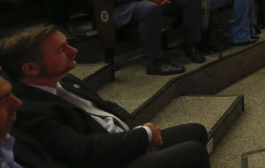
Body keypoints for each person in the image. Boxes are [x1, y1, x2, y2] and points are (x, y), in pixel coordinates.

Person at [0, 26, 210, 167]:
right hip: (110, 161)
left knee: (196, 131)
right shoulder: (28, 108)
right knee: (192, 152)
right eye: (62, 50)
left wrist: (138, 131)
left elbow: (109, 107)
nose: (73, 51)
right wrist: (143, 137)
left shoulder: (65, 79)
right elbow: (84, 151)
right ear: (31, 68)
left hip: (124, 141)